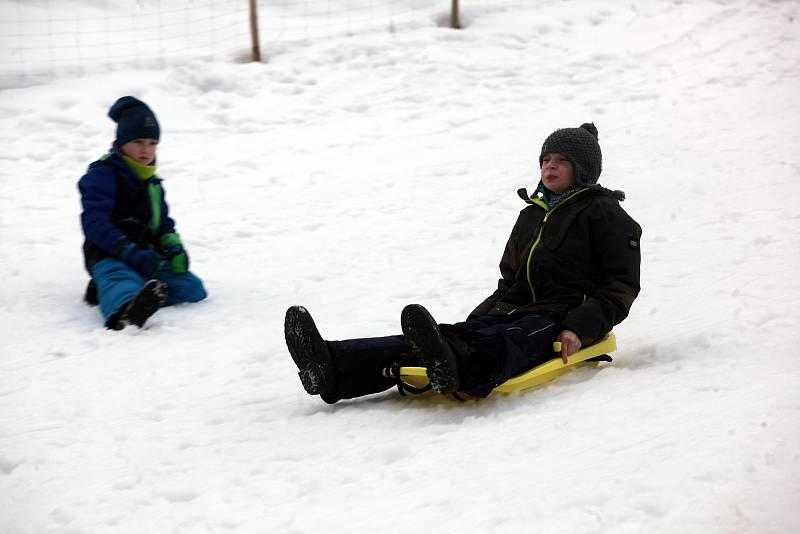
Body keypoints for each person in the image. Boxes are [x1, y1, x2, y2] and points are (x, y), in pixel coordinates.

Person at [285, 122, 641, 403]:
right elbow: (510, 280)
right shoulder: (530, 216)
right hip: (513, 309)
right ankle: (333, 364)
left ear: (581, 170)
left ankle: (457, 365)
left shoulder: (604, 212)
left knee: (513, 340)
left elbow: (620, 285)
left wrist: (579, 327)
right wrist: (485, 315)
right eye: (546, 160)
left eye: (561, 161)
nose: (550, 166)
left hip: (557, 317)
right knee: (453, 335)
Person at [78, 96, 207, 329]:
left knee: (192, 288)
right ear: (122, 141)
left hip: (147, 255)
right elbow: (94, 221)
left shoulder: (153, 183)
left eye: (152, 143)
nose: (146, 150)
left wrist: (173, 246)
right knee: (120, 280)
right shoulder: (102, 174)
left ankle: (128, 292)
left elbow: (164, 223)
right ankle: (125, 311)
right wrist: (126, 250)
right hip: (109, 253)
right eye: (138, 141)